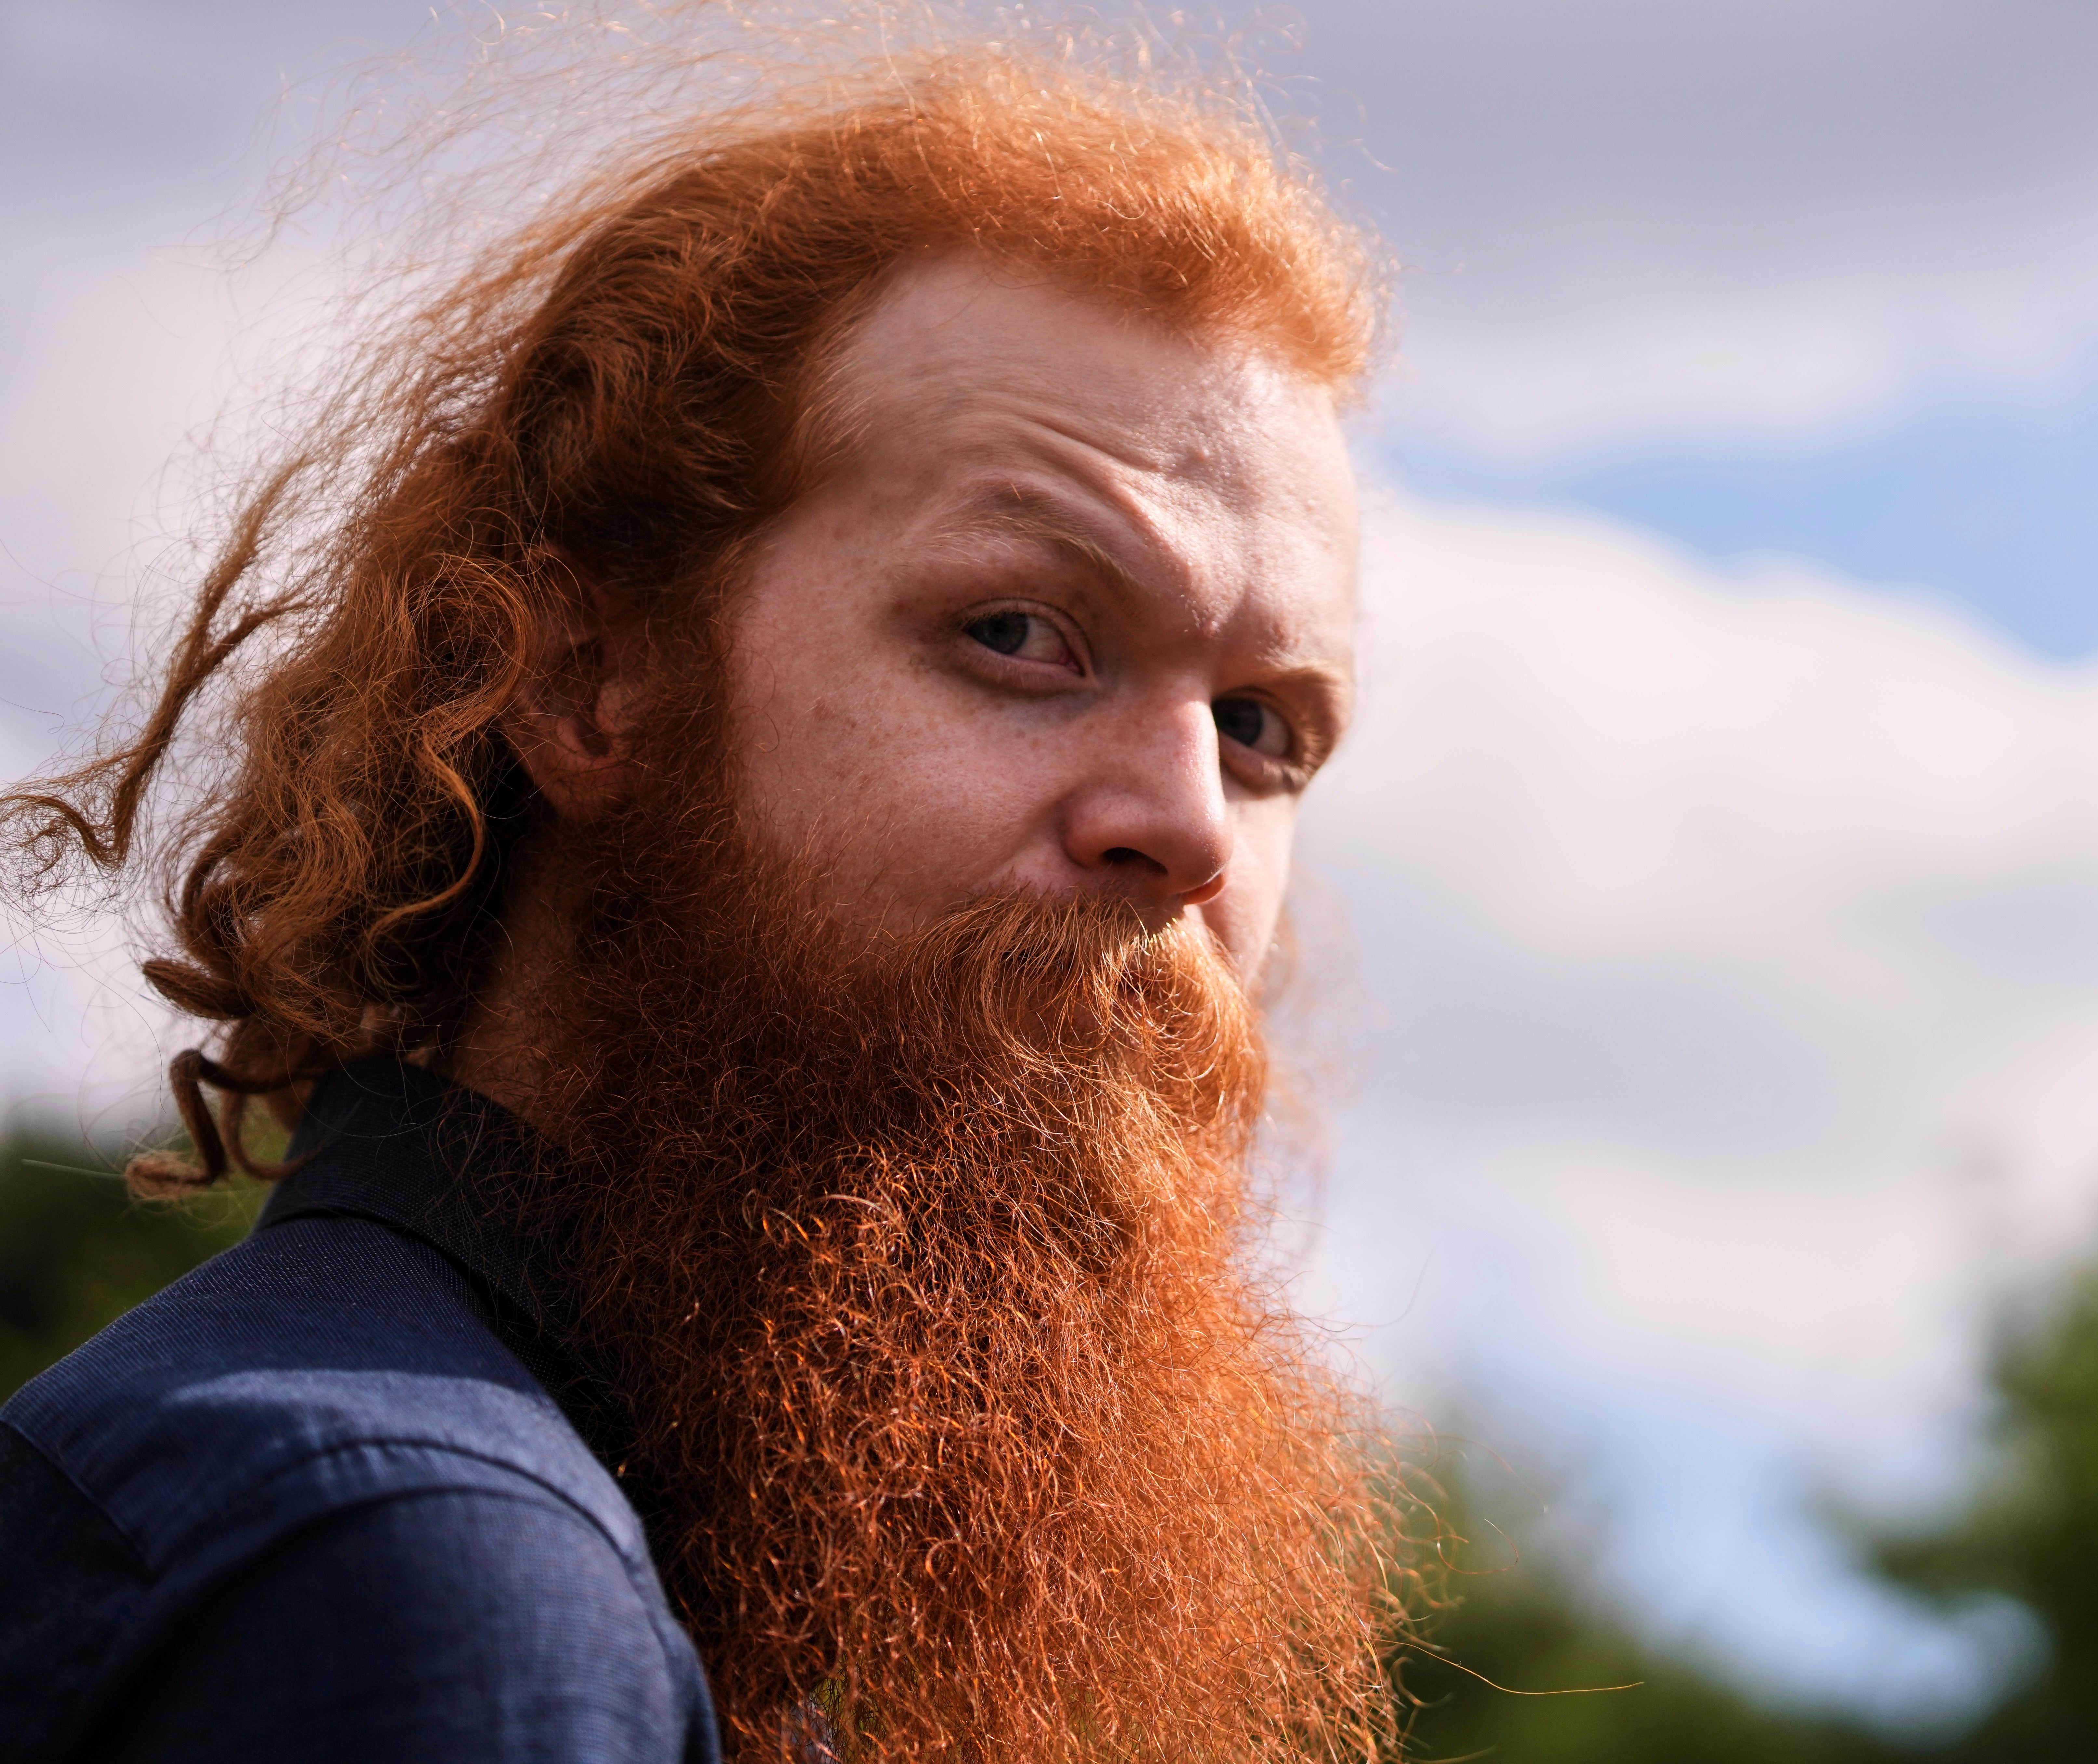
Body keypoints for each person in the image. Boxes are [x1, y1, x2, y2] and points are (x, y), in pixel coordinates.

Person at [0, 34, 1401, 1764]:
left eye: (1263, 730)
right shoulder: (422, 1570)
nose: (1189, 827)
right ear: (590, 679)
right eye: (1020, 634)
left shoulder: (615, 1544)